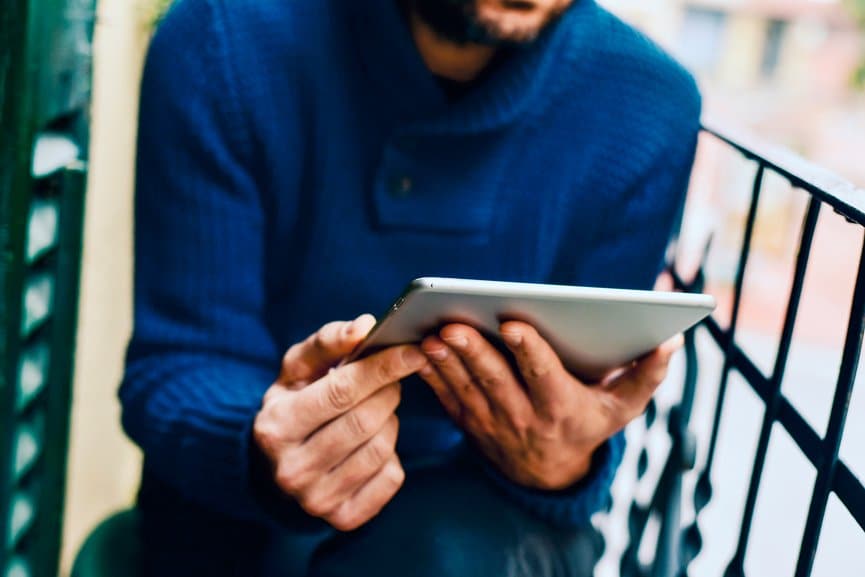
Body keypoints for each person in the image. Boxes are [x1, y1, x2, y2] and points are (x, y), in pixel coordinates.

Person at [121, 0, 700, 575]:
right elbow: (178, 362)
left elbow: (585, 399)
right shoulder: (222, 36)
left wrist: (565, 463)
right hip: (239, 513)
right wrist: (260, 443)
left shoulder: (650, 106)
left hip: (485, 528)